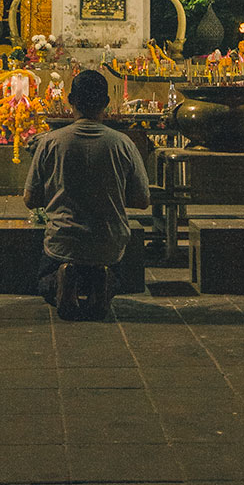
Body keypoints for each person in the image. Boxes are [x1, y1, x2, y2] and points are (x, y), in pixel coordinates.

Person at [23, 69, 150, 320]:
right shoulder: (123, 143)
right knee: (113, 274)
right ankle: (101, 284)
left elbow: (30, 199)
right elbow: (143, 200)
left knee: (44, 282)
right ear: (106, 104)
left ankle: (62, 283)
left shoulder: (51, 142)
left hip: (64, 242)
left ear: (70, 101)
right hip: (109, 244)